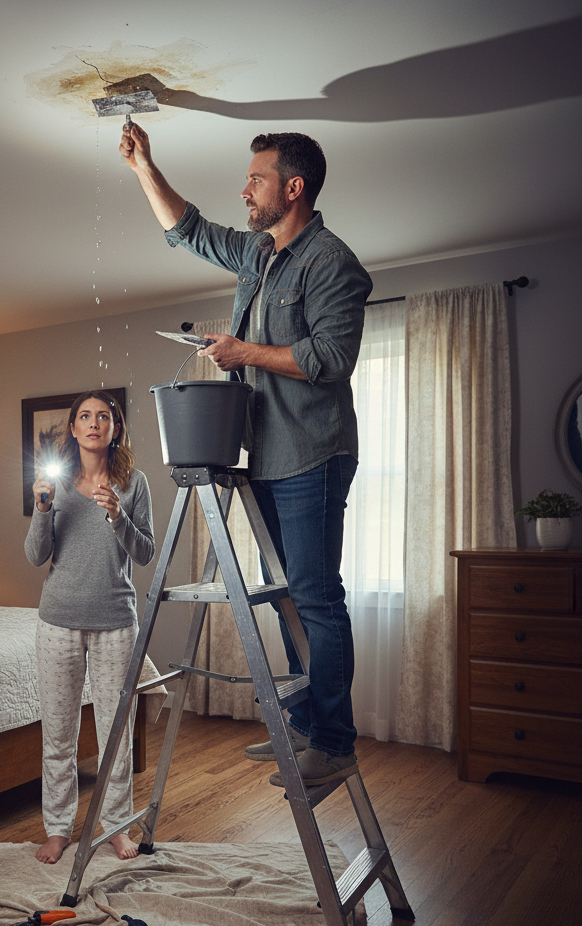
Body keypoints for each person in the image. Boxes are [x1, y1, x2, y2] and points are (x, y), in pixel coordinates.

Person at [120, 124, 372, 787]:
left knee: (315, 598)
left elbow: (328, 359)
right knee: (285, 597)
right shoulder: (258, 255)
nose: (245, 188)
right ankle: (308, 728)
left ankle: (335, 742)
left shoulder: (332, 263)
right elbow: (190, 230)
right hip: (260, 458)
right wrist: (146, 166)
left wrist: (241, 352)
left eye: (256, 178)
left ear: (294, 188)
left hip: (312, 457)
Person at [25, 390, 155, 862]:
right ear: (74, 429)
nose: (94, 423)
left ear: (115, 429)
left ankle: (117, 826)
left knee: (115, 731)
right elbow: (36, 555)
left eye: (104, 416)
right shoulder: (53, 486)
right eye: (85, 416)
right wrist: (41, 510)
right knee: (58, 733)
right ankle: (58, 830)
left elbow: (145, 553)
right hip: (58, 620)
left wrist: (118, 516)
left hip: (116, 622)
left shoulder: (134, 483)